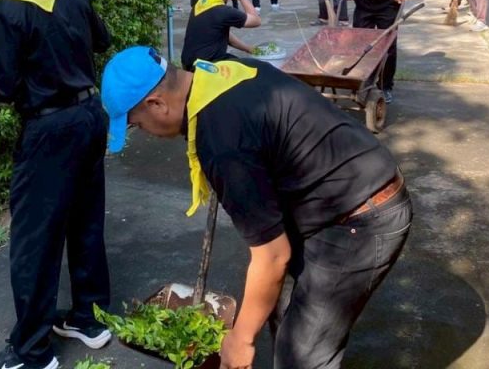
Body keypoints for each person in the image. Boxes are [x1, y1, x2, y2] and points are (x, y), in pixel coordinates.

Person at [100, 46, 412, 369]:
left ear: (156, 104)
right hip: (338, 189)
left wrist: (241, 338)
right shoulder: (221, 73)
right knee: (280, 310)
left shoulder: (222, 142)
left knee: (301, 355)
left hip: (361, 215)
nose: (145, 133)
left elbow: (272, 255)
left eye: (137, 124)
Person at [0, 0, 113, 369]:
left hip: (49, 130)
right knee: (85, 221)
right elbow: (101, 40)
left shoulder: (8, 8)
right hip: (89, 116)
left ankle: (32, 353)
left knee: (34, 239)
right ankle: (90, 319)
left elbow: (5, 89)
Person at [181, 0, 261, 70]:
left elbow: (222, 34)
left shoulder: (199, 5)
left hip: (189, 63)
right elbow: (256, 21)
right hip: (206, 66)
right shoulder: (224, 11)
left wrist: (248, 49)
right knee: (251, 69)